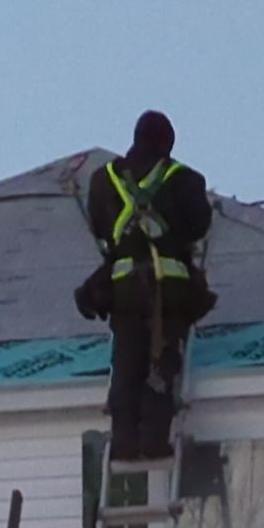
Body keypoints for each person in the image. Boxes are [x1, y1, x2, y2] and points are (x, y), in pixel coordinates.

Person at [74, 111, 215, 460]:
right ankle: (153, 438)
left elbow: (100, 228)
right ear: (168, 144)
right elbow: (198, 226)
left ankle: (122, 440)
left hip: (122, 290)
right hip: (168, 292)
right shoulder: (185, 180)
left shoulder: (104, 180)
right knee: (161, 360)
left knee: (126, 362)